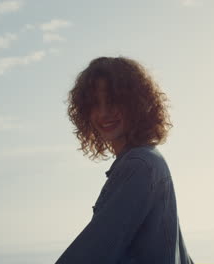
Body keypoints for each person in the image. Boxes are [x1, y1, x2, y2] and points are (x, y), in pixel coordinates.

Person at [55, 56, 194, 264]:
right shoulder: (146, 159)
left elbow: (94, 252)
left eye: (112, 101)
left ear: (136, 103)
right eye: (95, 103)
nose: (104, 113)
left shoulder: (140, 165)